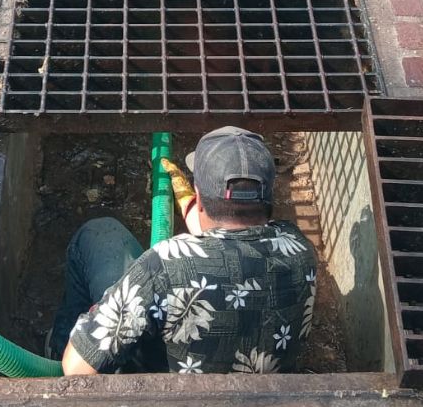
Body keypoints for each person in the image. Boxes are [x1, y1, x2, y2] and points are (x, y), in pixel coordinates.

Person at [48, 126, 317, 376]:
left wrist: (103, 311)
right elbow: (234, 236)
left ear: (200, 199)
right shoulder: (300, 251)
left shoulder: (166, 264)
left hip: (167, 399)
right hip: (266, 399)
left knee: (99, 233)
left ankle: (54, 345)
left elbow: (76, 368)